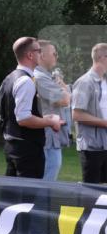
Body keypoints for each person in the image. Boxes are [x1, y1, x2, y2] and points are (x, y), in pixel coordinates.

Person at [0, 37, 62, 179]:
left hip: (12, 144)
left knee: (13, 196)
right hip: (26, 150)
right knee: (29, 197)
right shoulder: (26, 81)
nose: (42, 54)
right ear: (30, 55)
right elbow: (23, 118)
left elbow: (13, 115)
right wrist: (50, 122)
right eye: (39, 51)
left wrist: (46, 118)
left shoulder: (9, 78)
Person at [35, 40, 72, 181]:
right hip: (47, 135)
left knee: (51, 172)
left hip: (51, 133)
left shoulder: (47, 77)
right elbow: (65, 100)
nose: (57, 56)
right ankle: (41, 204)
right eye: (54, 53)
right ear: (42, 56)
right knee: (48, 177)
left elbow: (67, 96)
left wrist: (62, 88)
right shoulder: (41, 78)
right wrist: (64, 90)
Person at [71, 42, 107, 184]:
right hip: (91, 147)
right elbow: (77, 115)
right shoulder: (84, 82)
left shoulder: (104, 82)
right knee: (91, 192)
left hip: (104, 144)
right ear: (103, 58)